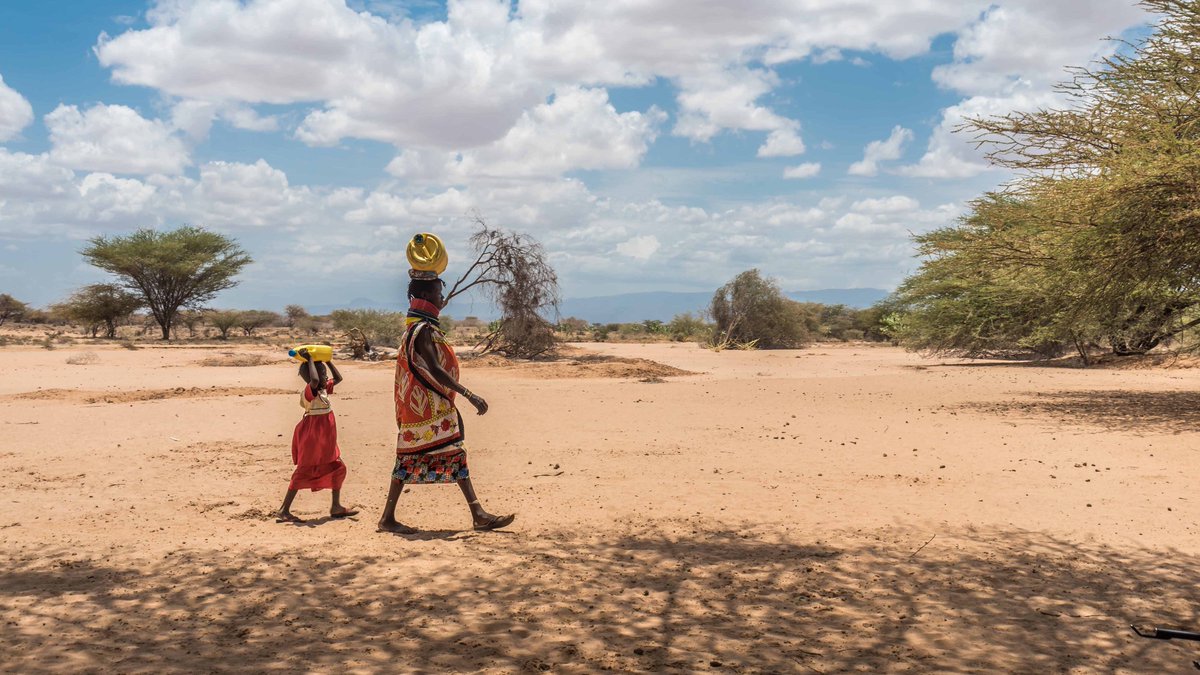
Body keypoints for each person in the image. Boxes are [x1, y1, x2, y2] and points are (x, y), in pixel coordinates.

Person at [378, 249, 514, 534]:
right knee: (437, 455)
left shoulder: (416, 327)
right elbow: (436, 369)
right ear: (427, 296)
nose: (443, 298)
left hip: (426, 408)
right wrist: (469, 394)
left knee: (436, 455)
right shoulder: (422, 330)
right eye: (439, 293)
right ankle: (475, 514)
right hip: (428, 409)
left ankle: (475, 513)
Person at [277, 349, 358, 523]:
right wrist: (312, 359)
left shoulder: (323, 390)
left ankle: (336, 506)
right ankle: (284, 510)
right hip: (313, 436)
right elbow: (314, 380)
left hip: (325, 438)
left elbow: (338, 378)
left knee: (337, 467)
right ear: (309, 375)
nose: (324, 376)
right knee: (304, 470)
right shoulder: (309, 390)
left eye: (324, 373)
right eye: (322, 373)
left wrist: (327, 361)